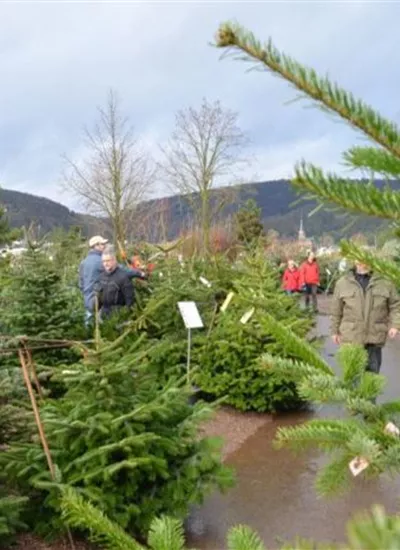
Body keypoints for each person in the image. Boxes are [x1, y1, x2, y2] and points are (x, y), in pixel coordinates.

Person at [331, 260, 400, 373]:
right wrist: (334, 331)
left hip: (374, 339)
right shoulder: (342, 283)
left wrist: (395, 325)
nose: (361, 262)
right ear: (354, 260)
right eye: (357, 258)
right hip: (351, 338)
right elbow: (336, 310)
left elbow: (395, 305)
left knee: (371, 379)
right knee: (352, 378)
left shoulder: (385, 282)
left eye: (363, 257)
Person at [79, 236, 145, 322]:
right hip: (99, 302)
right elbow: (122, 270)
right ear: (96, 246)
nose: (104, 246)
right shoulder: (102, 260)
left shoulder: (84, 262)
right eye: (103, 244)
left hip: (88, 300)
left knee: (91, 329)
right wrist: (140, 273)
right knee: (103, 327)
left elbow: (81, 283)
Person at [95, 246, 134, 319]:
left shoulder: (123, 277)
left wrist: (124, 315)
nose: (106, 264)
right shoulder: (101, 276)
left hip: (118, 315)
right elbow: (98, 296)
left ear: (114, 260)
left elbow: (129, 301)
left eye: (108, 261)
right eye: (104, 261)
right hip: (103, 313)